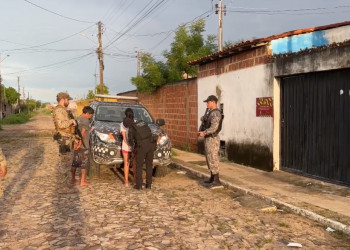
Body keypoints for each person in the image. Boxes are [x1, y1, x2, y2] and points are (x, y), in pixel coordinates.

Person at [52, 92, 77, 194]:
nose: (69, 101)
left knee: (67, 162)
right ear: (63, 99)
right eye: (68, 100)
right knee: (64, 163)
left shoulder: (63, 110)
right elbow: (60, 124)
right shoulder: (58, 110)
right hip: (63, 139)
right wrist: (71, 121)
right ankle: (62, 188)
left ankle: (65, 184)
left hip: (67, 138)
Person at [123, 117, 156, 190]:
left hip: (142, 146)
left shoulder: (131, 128)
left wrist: (133, 149)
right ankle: (149, 184)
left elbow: (131, 141)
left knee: (139, 165)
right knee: (149, 165)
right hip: (151, 144)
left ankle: (139, 185)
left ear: (126, 125)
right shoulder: (142, 122)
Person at [198, 95, 223, 189]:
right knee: (209, 157)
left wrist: (204, 133)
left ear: (213, 102)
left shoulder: (216, 113)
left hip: (212, 138)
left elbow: (214, 128)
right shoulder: (210, 112)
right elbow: (203, 119)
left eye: (208, 102)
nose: (206, 104)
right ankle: (212, 177)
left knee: (213, 157)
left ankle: (217, 179)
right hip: (208, 138)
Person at [71, 106, 94, 186]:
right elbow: (83, 132)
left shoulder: (77, 118)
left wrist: (76, 142)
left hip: (75, 142)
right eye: (91, 115)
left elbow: (74, 131)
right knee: (83, 163)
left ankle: (73, 179)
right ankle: (82, 181)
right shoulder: (86, 121)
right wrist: (80, 142)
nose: (91, 116)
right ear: (87, 113)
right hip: (83, 144)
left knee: (75, 162)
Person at [120, 108, 136, 187]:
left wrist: (127, 143)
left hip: (125, 146)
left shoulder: (122, 124)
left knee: (126, 163)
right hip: (134, 146)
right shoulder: (135, 122)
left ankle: (126, 182)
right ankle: (134, 181)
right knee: (134, 163)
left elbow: (124, 137)